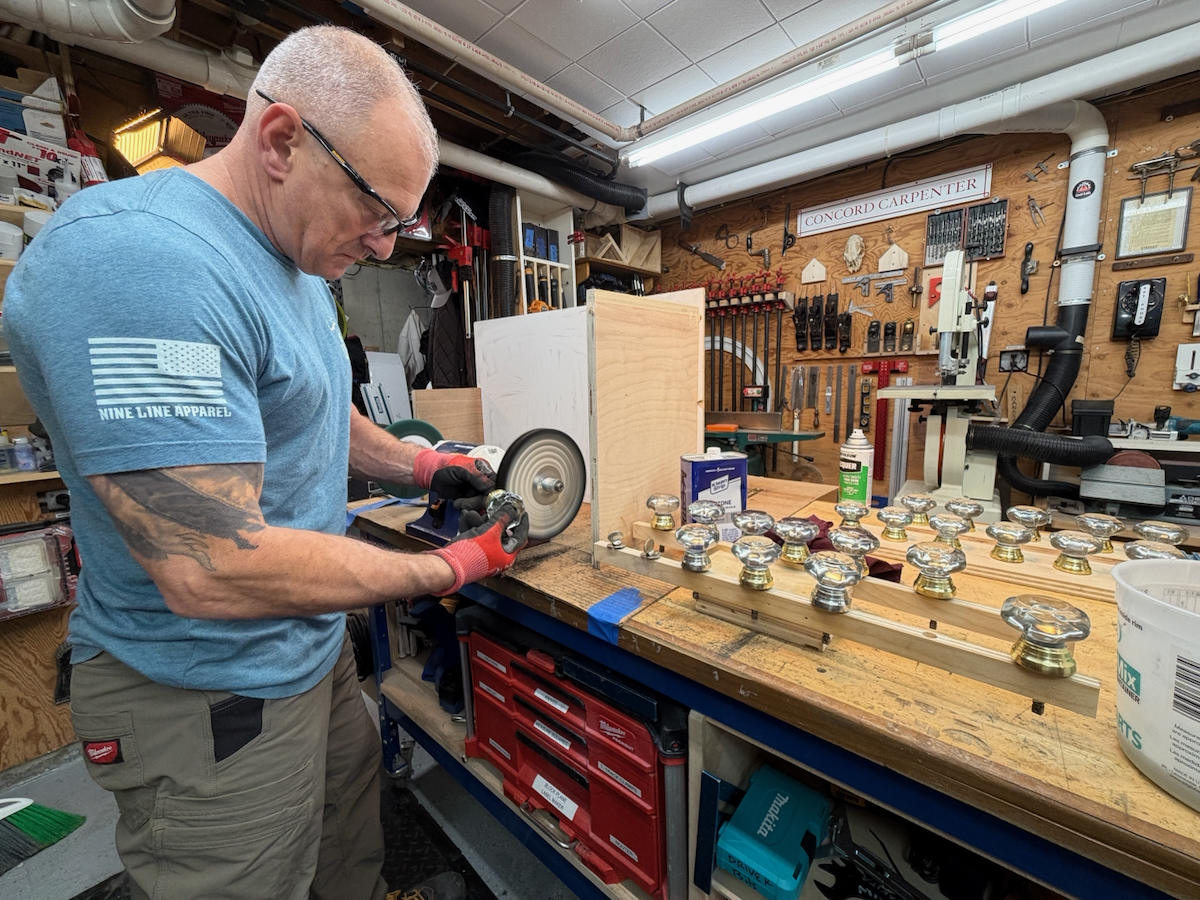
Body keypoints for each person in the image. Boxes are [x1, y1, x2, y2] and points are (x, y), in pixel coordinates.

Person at [3, 24, 528, 900]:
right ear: (282, 141)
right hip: (205, 692)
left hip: (307, 651)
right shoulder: (142, 263)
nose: (387, 246)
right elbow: (210, 561)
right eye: (377, 211)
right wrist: (447, 567)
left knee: (348, 850)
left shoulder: (296, 266)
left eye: (400, 223)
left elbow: (312, 406)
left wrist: (420, 465)